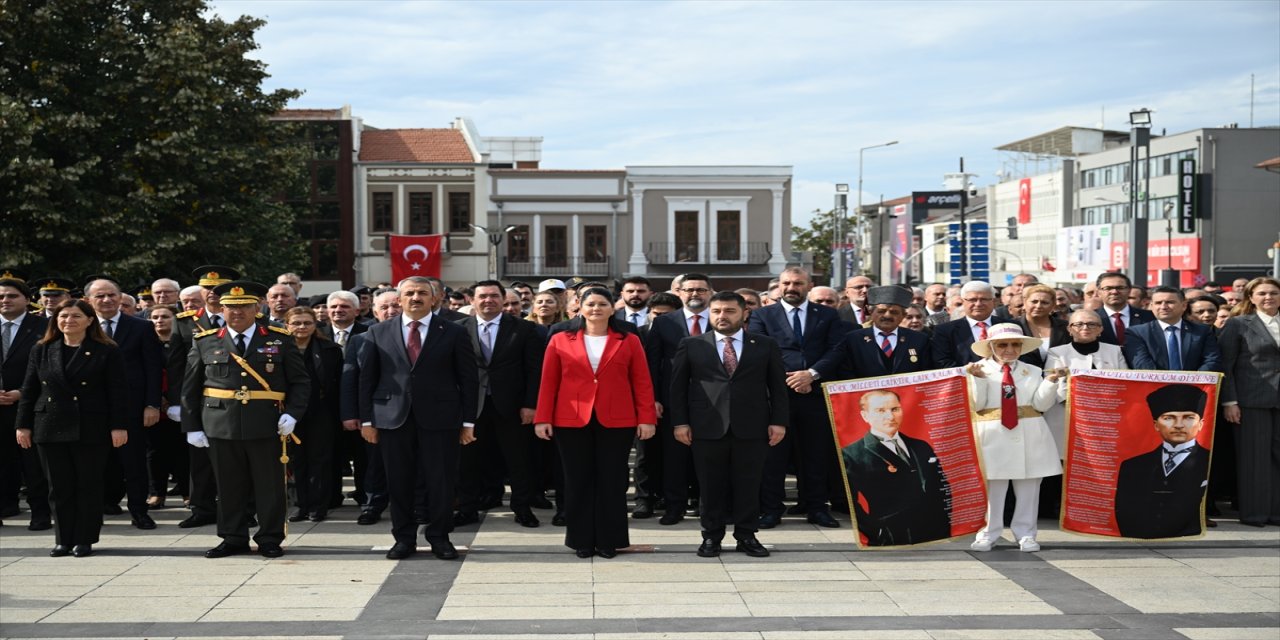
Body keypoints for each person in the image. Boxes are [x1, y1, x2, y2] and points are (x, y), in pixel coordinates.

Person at [182, 281, 310, 558]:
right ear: (222, 308)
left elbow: (300, 382)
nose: (237, 312)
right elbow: (190, 387)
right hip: (220, 423)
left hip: (266, 422)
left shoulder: (279, 338)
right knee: (228, 485)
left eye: (244, 307)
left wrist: (293, 413)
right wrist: (191, 426)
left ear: (257, 308)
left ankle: (269, 538)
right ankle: (233, 537)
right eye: (231, 307)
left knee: (269, 485)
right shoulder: (205, 340)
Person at [357, 277, 478, 560]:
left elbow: (469, 381)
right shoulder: (378, 332)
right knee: (398, 482)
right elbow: (367, 380)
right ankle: (403, 539)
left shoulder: (453, 332)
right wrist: (366, 421)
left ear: (434, 299)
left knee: (441, 481)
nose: (415, 297)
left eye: (422, 293)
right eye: (409, 293)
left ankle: (439, 537)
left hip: (441, 419)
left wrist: (468, 422)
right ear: (398, 299)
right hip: (392, 418)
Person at [534, 287, 656, 558]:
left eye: (603, 304)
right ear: (580, 307)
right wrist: (543, 417)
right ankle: (581, 540)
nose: (596, 309)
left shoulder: (629, 339)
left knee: (612, 480)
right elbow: (548, 382)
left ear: (613, 308)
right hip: (571, 418)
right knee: (578, 480)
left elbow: (642, 382)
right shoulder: (560, 338)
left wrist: (646, 418)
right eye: (590, 304)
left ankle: (609, 540)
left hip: (618, 419)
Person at [668, 291, 788, 558]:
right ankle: (711, 537)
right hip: (706, 426)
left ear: (744, 313)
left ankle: (747, 535)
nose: (722, 316)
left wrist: (779, 422)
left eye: (729, 311)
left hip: (753, 426)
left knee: (749, 483)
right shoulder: (692, 344)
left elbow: (778, 387)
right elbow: (677, 389)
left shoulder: (765, 344)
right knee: (710, 486)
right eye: (717, 311)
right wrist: (680, 423)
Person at [15, 299, 129, 557]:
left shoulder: (106, 350)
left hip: (91, 425)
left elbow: (119, 392)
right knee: (58, 486)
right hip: (50, 424)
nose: (69, 321)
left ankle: (85, 538)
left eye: (76, 316)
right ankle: (63, 538)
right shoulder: (42, 349)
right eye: (63, 316)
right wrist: (22, 425)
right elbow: (30, 389)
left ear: (90, 320)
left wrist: (118, 426)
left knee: (87, 484)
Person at [748, 267, 846, 529]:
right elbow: (760, 350)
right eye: (787, 283)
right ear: (779, 285)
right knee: (774, 456)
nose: (792, 287)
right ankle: (771, 509)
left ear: (809, 285)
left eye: (798, 283)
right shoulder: (762, 315)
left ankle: (816, 508)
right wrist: (791, 379)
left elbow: (837, 349)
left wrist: (812, 374)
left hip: (815, 396)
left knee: (816, 455)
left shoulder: (827, 314)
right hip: (776, 396)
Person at [453, 281, 545, 528]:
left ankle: (522, 508)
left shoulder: (524, 329)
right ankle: (467, 510)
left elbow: (534, 370)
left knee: (518, 460)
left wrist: (530, 404)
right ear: (472, 300)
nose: (488, 300)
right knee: (468, 461)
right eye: (482, 296)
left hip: (512, 407)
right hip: (471, 406)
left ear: (503, 300)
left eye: (494, 296)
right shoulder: (457, 329)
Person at [965, 323, 1063, 552]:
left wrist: (1050, 383)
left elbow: (1040, 405)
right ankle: (988, 533)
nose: (1009, 349)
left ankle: (1026, 533)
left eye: (1015, 344)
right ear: (991, 346)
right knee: (993, 489)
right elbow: (976, 405)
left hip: (1029, 433)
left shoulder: (1033, 371)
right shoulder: (975, 369)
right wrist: (978, 379)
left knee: (1029, 489)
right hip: (992, 435)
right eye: (1002, 344)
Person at [85, 277, 163, 530]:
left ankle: (139, 511)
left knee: (134, 463)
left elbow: (152, 368)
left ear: (121, 298)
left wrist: (152, 404)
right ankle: (97, 510)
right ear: (88, 301)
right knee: (94, 463)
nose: (106, 300)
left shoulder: (141, 327)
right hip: (91, 408)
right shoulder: (78, 325)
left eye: (112, 295)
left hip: (131, 407)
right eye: (100, 296)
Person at [643, 273, 714, 524]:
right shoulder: (664, 322)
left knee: (709, 457)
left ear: (710, 293)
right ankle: (675, 507)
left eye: (701, 290)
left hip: (714, 401)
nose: (695, 294)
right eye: (690, 290)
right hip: (673, 398)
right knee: (674, 458)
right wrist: (652, 398)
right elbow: (652, 362)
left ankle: (709, 507)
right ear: (680, 293)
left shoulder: (721, 319)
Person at [841, 390, 951, 546]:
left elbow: (942, 484)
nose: (890, 416)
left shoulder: (921, 446)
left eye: (895, 409)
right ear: (865, 416)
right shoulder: (852, 454)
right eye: (880, 411)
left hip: (936, 532)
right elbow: (850, 500)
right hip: (892, 535)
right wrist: (875, 531)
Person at [1217, 276, 1280, 527]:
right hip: (1250, 401)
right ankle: (1255, 514)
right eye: (1262, 293)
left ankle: (1277, 513)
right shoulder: (1238, 324)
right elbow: (1226, 365)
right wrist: (1229, 401)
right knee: (1254, 459)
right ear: (1251, 298)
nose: (1268, 297)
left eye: (1274, 293)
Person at [1114, 385, 1212, 538]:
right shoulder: (1132, 466)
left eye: (1188, 417)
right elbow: (1125, 509)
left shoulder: (1210, 461)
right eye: (1169, 418)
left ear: (1201, 424)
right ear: (1156, 424)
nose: (1179, 425)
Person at [0, 275, 52, 530]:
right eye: (1, 297)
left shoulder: (43, 327)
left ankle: (40, 513)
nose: (5, 301)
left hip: (30, 405)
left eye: (12, 296)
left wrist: (23, 392)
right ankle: (5, 506)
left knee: (33, 464)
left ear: (27, 300)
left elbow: (52, 366)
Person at [285, 306, 342, 523]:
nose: (301, 327)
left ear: (315, 325)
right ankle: (300, 504)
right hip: (290, 413)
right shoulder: (280, 348)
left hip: (321, 411)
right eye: (296, 323)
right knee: (296, 460)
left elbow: (337, 384)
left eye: (307, 323)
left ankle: (318, 506)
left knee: (320, 460)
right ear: (287, 325)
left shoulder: (330, 350)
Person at [834, 286, 935, 380]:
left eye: (894, 312)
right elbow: (845, 374)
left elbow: (926, 373)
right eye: (881, 311)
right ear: (871, 313)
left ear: (903, 315)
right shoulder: (853, 339)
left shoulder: (919, 339)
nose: (887, 316)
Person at [145, 304, 189, 509]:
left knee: (182, 450)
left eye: (165, 316)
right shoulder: (146, 342)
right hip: (154, 406)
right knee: (155, 452)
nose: (159, 320)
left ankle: (187, 492)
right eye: (154, 317)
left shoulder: (182, 341)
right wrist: (156, 398)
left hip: (180, 404)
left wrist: (173, 398)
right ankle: (157, 493)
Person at [1123, 286, 1222, 373]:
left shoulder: (1202, 331)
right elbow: (1142, 364)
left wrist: (1192, 382)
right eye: (1158, 303)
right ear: (1151, 306)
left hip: (1194, 389)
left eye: (1170, 302)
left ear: (1184, 305)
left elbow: (1211, 360)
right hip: (1154, 389)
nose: (1163, 307)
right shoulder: (1137, 333)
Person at [932, 281, 999, 369]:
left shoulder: (1009, 325)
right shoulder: (945, 331)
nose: (978, 304)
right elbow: (942, 362)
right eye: (972, 300)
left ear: (993, 301)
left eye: (984, 299)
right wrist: (968, 372)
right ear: (963, 302)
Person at [1012, 284, 1070, 369]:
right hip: (1022, 377)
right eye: (1034, 301)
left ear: (1053, 305)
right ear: (1025, 302)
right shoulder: (1013, 326)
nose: (1038, 306)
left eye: (1044, 302)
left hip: (1058, 377)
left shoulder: (1066, 327)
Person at [1095, 271, 1155, 349]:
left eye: (1120, 288)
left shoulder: (1150, 317)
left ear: (1129, 290)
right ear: (1099, 292)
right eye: (1108, 288)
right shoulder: (1091, 318)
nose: (1114, 292)